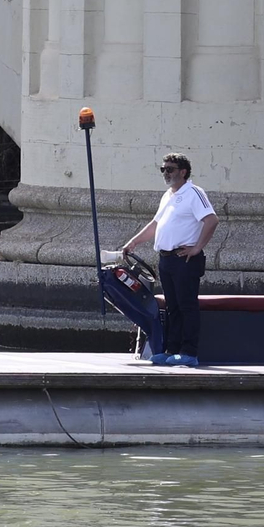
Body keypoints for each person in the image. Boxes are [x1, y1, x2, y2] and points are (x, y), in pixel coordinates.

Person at [107, 153, 219, 367]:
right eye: (163, 169)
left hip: (184, 258)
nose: (165, 173)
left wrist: (197, 248)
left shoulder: (194, 193)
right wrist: (134, 242)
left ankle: (189, 352)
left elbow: (212, 220)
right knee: (172, 307)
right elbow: (156, 224)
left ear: (183, 172)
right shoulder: (168, 195)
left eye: (170, 169)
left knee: (187, 306)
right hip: (166, 259)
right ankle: (172, 350)